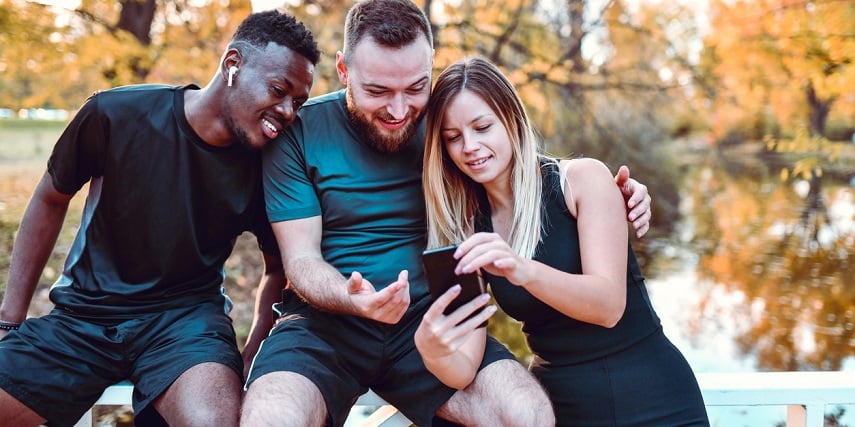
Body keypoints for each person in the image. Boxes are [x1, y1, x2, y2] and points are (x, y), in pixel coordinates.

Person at [241, 1, 652, 426]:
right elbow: (301, 260)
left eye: (416, 88)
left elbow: (513, 162)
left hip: (432, 319)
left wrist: (615, 191)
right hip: (323, 325)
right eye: (378, 91)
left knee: (525, 413)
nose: (400, 111)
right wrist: (350, 296)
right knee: (271, 415)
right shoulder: (298, 133)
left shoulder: (446, 125)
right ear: (344, 71)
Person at [0, 11, 319, 427]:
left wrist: (252, 351)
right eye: (279, 90)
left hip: (187, 326)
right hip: (83, 317)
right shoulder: (114, 113)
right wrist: (9, 319)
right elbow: (50, 197)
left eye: (298, 101)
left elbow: (279, 267)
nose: (288, 110)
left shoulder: (268, 166)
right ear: (233, 64)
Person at [413, 57, 709, 426]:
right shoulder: (468, 229)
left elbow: (608, 306)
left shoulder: (581, 180)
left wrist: (521, 269)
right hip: (563, 407)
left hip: (654, 399)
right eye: (453, 137)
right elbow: (464, 367)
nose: (469, 146)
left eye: (482, 127)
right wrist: (432, 350)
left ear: (512, 120)